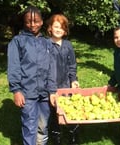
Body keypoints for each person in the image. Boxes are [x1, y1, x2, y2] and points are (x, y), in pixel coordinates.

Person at [7, 6, 57, 145]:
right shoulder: (18, 41)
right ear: (24, 22)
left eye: (36, 21)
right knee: (29, 126)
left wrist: (52, 91)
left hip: (45, 93)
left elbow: (52, 68)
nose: (33, 24)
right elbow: (14, 66)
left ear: (42, 22)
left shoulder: (47, 42)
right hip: (27, 93)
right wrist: (16, 90)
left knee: (43, 125)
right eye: (29, 21)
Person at [46, 14, 80, 145]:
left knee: (71, 111)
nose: (58, 29)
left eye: (62, 27)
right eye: (56, 26)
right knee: (55, 115)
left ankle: (73, 137)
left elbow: (72, 65)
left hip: (66, 85)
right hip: (52, 85)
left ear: (65, 30)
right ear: (50, 28)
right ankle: (56, 138)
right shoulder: (46, 45)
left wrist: (73, 80)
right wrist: (51, 90)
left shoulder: (68, 45)